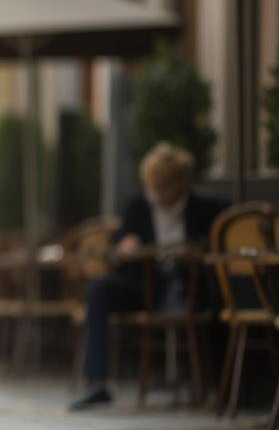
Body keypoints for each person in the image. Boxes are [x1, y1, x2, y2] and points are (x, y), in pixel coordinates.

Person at [69, 141, 227, 411]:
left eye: (162, 186)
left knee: (221, 297)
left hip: (192, 289)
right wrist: (123, 247)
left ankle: (223, 385)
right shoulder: (138, 207)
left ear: (179, 184)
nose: (156, 192)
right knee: (98, 289)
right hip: (148, 289)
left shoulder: (205, 209)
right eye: (152, 186)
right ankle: (97, 383)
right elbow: (119, 247)